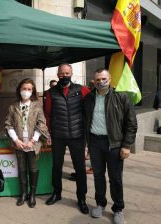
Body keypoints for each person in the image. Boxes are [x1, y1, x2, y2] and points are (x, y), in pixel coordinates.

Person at [84, 68, 137, 224]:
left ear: (110, 78)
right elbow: (85, 121)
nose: (101, 82)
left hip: (114, 144)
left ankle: (118, 209)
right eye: (98, 79)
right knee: (98, 176)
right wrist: (87, 145)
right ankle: (100, 204)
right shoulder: (89, 98)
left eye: (103, 78)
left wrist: (126, 145)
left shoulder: (121, 97)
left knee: (115, 179)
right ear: (94, 81)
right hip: (95, 143)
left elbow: (131, 123)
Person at [44, 63, 90, 214]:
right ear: (57, 75)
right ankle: (57, 193)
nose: (64, 76)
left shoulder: (82, 90)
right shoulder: (51, 93)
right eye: (62, 73)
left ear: (72, 73)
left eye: (67, 73)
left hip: (77, 136)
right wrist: (48, 133)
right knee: (57, 167)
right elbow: (48, 115)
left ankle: (81, 198)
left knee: (80, 169)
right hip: (58, 136)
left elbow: (91, 109)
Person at [5, 78, 50, 208]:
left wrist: (33, 141)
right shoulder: (13, 106)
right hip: (19, 144)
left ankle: (32, 194)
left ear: (33, 91)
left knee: (33, 168)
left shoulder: (37, 105)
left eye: (29, 89)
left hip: (33, 145)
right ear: (19, 90)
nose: (26, 91)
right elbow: (8, 124)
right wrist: (16, 140)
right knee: (22, 168)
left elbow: (41, 124)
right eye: (24, 89)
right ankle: (23, 194)